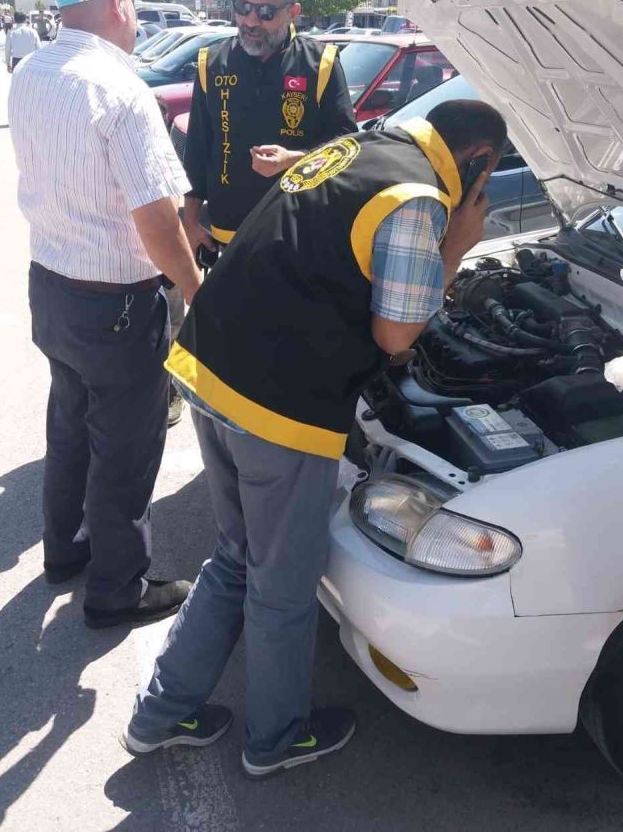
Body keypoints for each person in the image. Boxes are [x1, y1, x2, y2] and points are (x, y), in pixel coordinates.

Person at [123, 99, 507, 775]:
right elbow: (397, 335)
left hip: (210, 365)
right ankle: (274, 738)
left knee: (238, 554)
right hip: (279, 405)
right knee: (283, 583)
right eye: (489, 178)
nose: (482, 193)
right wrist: (459, 245)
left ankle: (161, 712)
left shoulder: (362, 148)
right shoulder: (418, 196)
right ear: (475, 163)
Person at [8, 0, 203, 629]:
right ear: (119, 1)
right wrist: (193, 287)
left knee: (69, 424)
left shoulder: (31, 70)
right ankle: (118, 588)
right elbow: (155, 219)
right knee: (125, 445)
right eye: (136, 4)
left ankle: (65, 549)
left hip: (51, 288)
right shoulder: (119, 90)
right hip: (115, 303)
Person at [171, 0, 357, 426]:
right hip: (227, 241)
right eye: (243, 7)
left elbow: (349, 151)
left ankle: (279, 443)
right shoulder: (212, 61)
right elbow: (199, 149)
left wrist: (296, 161)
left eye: (266, 11)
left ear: (294, 11)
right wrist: (190, 220)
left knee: (284, 352)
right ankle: (233, 440)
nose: (251, 21)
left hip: (293, 242)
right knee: (232, 350)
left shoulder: (321, 64)